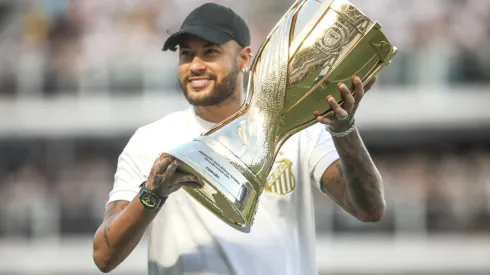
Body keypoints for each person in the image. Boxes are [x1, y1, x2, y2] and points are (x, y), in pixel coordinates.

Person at [92, 3, 385, 275]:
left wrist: (343, 129)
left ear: (245, 58)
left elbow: (369, 209)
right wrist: (152, 194)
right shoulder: (151, 140)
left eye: (210, 52)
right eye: (186, 54)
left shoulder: (300, 131)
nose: (195, 65)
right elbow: (104, 256)